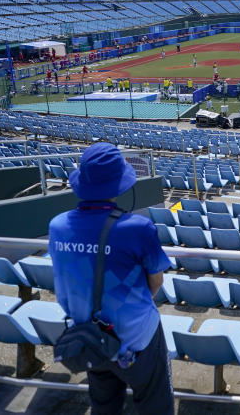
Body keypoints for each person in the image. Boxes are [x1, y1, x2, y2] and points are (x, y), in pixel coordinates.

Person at [48, 143, 173, 414]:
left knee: (104, 405)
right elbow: (157, 281)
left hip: (89, 335)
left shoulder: (57, 227)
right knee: (155, 403)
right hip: (138, 338)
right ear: (119, 184)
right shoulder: (138, 228)